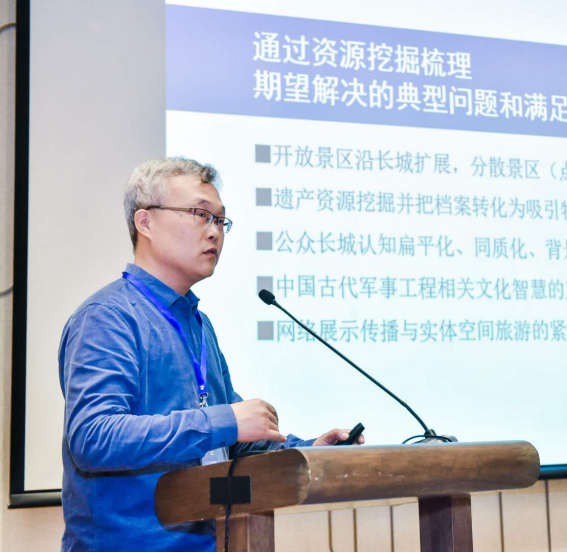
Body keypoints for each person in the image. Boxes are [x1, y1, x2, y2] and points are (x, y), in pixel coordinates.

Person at [58, 157, 363, 551]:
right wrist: (224, 420)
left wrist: (304, 450)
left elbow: (228, 443)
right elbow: (94, 437)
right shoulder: (108, 318)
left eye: (221, 220)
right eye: (200, 215)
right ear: (145, 222)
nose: (215, 232)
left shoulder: (198, 324)